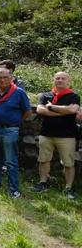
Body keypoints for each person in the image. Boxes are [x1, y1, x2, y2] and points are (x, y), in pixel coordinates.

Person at [0, 67, 31, 198]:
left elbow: (27, 111)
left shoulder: (19, 92)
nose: (3, 80)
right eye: (0, 77)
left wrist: (15, 122)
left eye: (5, 77)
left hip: (9, 130)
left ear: (11, 78)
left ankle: (14, 189)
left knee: (11, 161)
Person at [32, 72, 80, 200]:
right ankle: (43, 183)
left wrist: (51, 107)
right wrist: (62, 112)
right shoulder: (45, 95)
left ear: (68, 81)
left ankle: (68, 188)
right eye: (57, 78)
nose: (60, 80)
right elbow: (40, 110)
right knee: (43, 160)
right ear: (53, 80)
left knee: (68, 163)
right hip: (46, 134)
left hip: (67, 135)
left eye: (63, 78)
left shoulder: (74, 96)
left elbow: (72, 110)